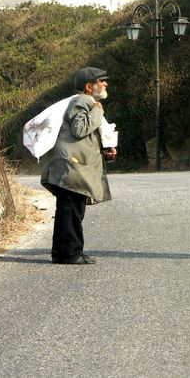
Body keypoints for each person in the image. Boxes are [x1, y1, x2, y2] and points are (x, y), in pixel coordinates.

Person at [40, 67, 117, 265]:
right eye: (102, 81)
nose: (105, 84)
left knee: (69, 210)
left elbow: (84, 138)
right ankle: (70, 254)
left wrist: (105, 150)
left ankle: (64, 253)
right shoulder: (82, 101)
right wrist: (98, 111)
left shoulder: (86, 102)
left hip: (73, 166)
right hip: (72, 167)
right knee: (71, 211)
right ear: (89, 86)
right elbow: (79, 128)